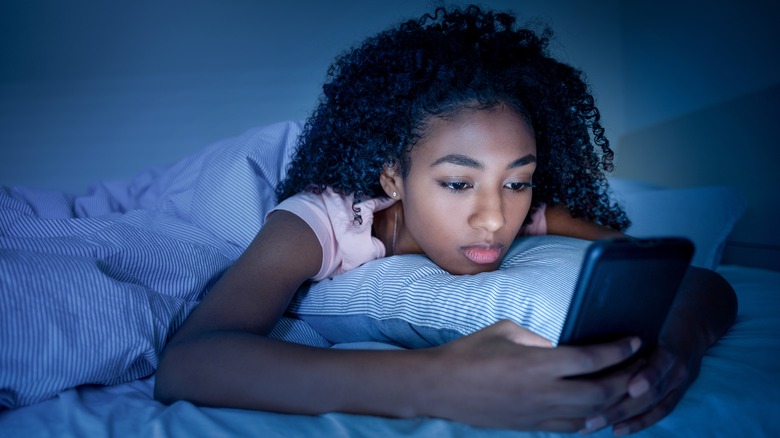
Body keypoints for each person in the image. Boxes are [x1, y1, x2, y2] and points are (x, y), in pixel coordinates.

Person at [154, 5, 737, 435]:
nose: (493, 218)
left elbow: (683, 272)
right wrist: (440, 382)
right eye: (458, 183)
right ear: (392, 178)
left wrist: (678, 348)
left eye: (517, 179)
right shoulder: (321, 219)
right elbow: (188, 361)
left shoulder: (523, 210)